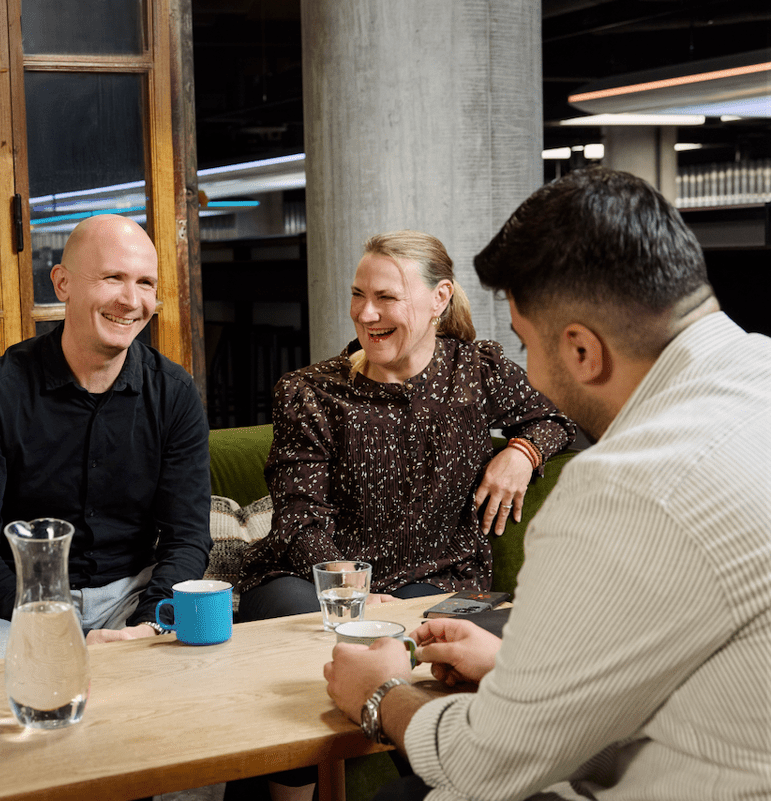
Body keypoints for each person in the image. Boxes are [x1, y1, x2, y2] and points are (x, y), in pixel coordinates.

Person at [324, 167, 771, 800]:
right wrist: (515, 670)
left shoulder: (624, 487)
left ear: (582, 351)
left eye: (526, 344)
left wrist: (381, 693)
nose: (528, 372)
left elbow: (484, 764)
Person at [239, 230, 575, 621]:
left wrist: (522, 453)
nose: (365, 314)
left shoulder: (476, 372)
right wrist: (352, 587)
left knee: (422, 626)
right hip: (312, 579)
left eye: (386, 297)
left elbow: (556, 415)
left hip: (435, 578)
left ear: (440, 297)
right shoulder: (310, 392)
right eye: (358, 295)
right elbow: (299, 518)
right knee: (321, 620)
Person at [0, 214, 211, 657]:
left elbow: (187, 538)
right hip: (16, 604)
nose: (131, 300)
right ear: (62, 283)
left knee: (192, 672)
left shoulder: (175, 393)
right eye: (113, 278)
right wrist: (50, 623)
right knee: (1, 678)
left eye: (145, 283)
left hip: (133, 598)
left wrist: (150, 622)